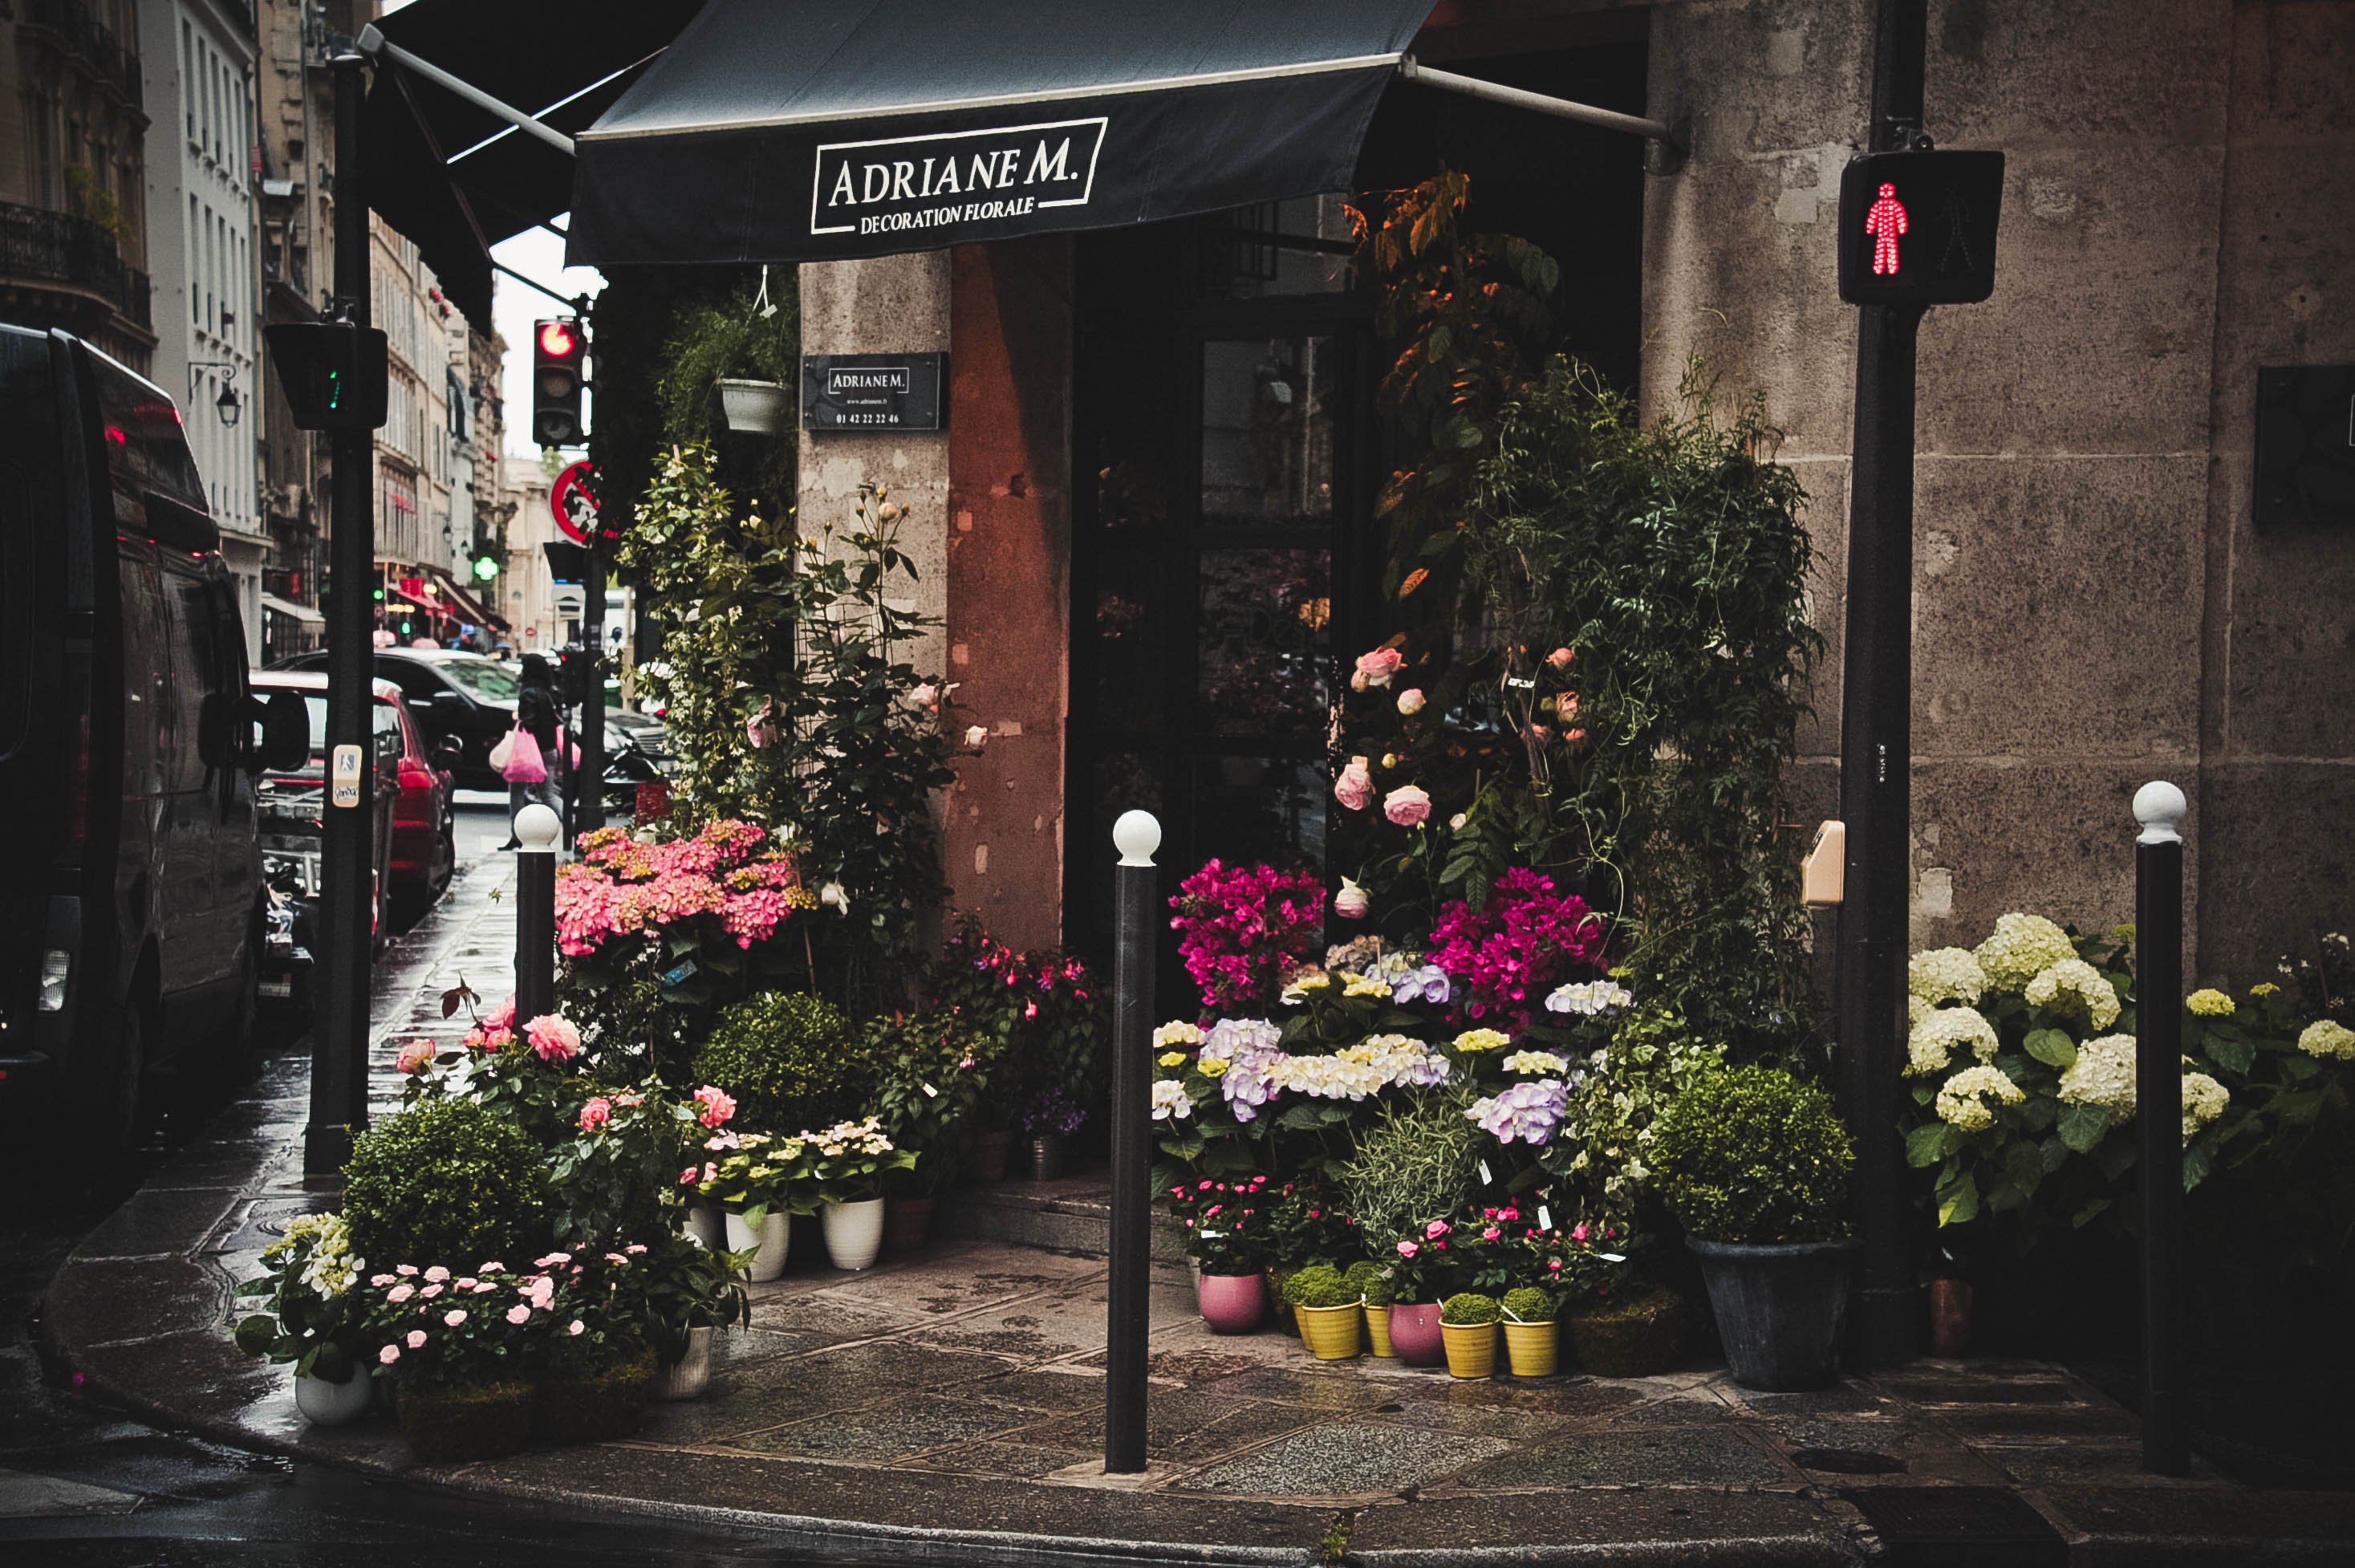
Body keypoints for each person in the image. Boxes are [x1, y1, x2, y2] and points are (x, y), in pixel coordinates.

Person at [498, 652, 566, 850]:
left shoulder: (528, 693)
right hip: (549, 749)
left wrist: (518, 717)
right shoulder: (548, 692)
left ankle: (516, 835)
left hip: (530, 751)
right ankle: (573, 827)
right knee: (548, 793)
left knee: (517, 791)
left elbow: (529, 723)